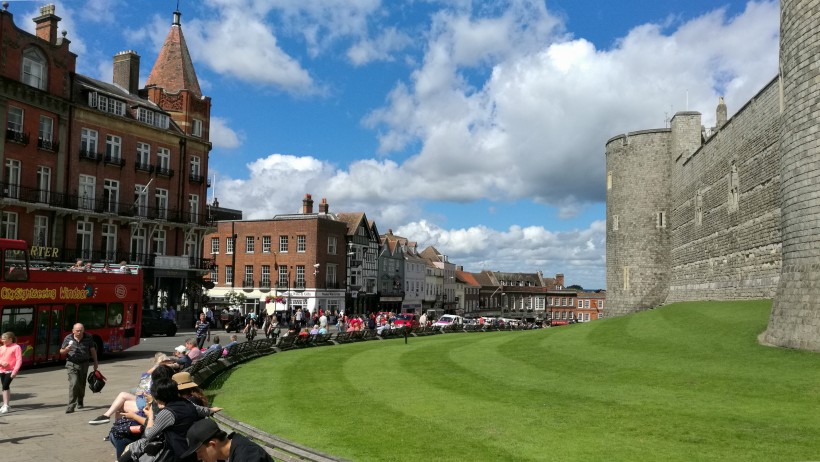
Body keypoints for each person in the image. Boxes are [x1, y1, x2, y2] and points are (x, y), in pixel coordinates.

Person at [118, 378, 220, 462]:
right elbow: (203, 410)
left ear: (158, 397)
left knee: (132, 451)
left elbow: (149, 435)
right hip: (191, 449)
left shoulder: (168, 413)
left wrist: (150, 416)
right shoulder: (187, 403)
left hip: (177, 453)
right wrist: (212, 410)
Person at [89, 352, 168, 425]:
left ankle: (113, 426)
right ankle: (107, 417)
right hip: (145, 400)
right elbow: (141, 389)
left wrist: (157, 367)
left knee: (119, 405)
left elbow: (141, 390)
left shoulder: (157, 378)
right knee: (122, 395)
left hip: (148, 404)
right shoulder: (159, 375)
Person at [182, 418, 274, 462]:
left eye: (199, 452)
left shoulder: (247, 456)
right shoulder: (227, 455)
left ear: (212, 444)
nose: (199, 457)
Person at [59, 323, 98, 413]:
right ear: (73, 331)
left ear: (83, 330)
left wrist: (95, 362)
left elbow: (92, 350)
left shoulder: (88, 337)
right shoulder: (68, 338)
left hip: (84, 364)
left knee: (81, 384)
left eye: (81, 330)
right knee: (74, 383)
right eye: (77, 330)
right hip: (72, 363)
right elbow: (61, 351)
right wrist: (66, 350)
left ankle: (80, 400)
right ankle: (71, 405)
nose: (79, 332)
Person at [0, 332, 23, 414]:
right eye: (2, 339)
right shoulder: (2, 347)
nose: (2, 340)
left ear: (10, 339)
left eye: (4, 339)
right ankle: (6, 404)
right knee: (5, 387)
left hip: (11, 370)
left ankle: (6, 405)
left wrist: (15, 371)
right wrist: (1, 362)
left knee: (5, 386)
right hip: (2, 370)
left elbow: (19, 360)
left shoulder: (16, 347)